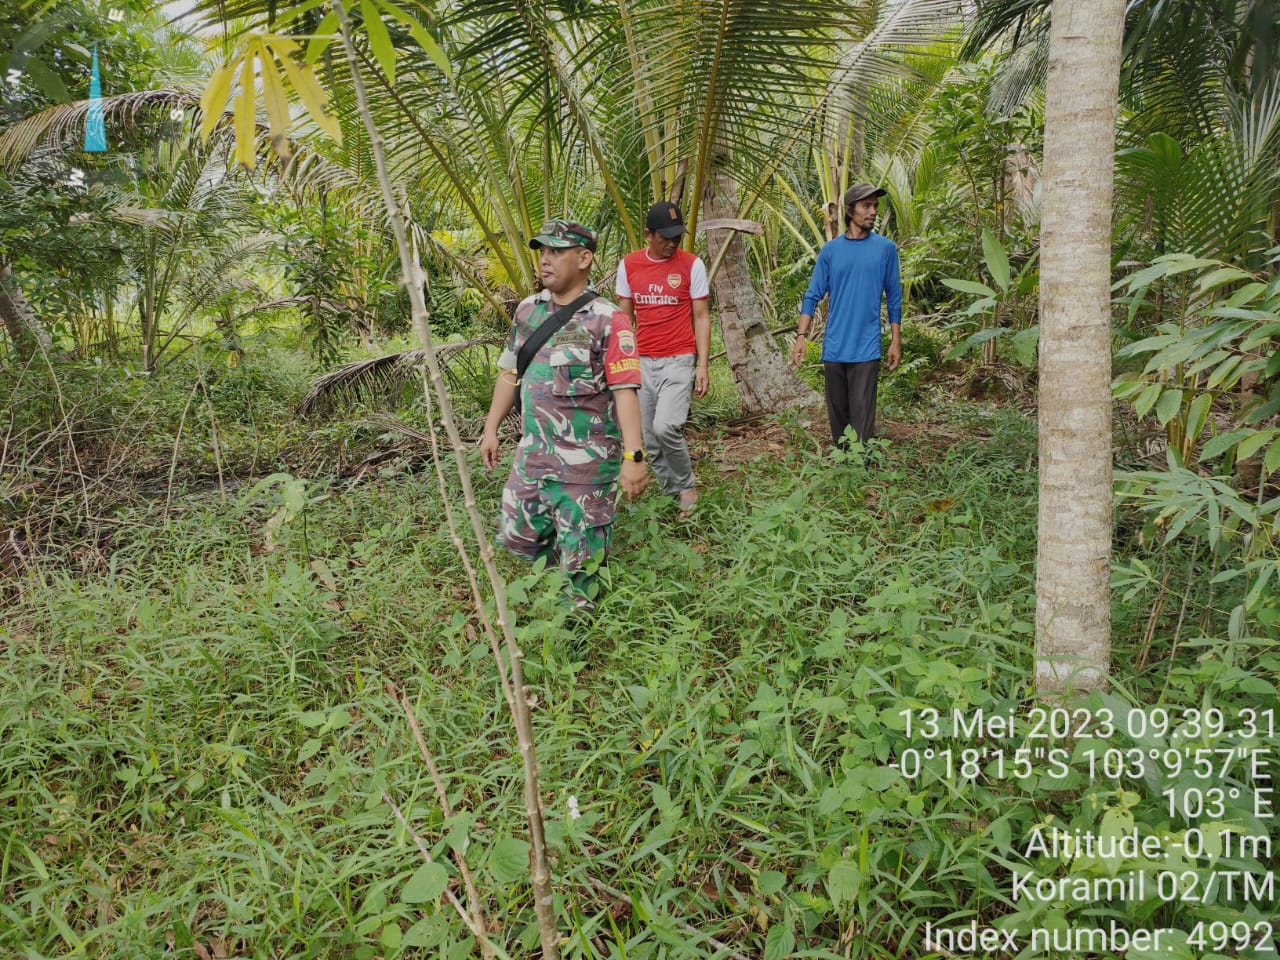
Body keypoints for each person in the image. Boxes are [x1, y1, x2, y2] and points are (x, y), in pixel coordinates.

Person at [480, 219, 649, 611]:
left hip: (584, 466)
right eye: (543, 251)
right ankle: (564, 570)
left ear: (584, 258)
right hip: (533, 456)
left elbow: (625, 390)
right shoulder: (528, 310)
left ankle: (577, 635)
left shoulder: (607, 319)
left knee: (582, 569)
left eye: (557, 252)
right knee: (517, 533)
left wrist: (634, 457)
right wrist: (491, 429)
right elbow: (510, 372)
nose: (546, 260)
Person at [615, 201, 711, 515]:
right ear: (648, 234)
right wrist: (623, 367)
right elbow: (624, 321)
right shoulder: (628, 266)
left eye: (677, 237)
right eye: (664, 237)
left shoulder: (692, 265)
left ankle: (687, 488)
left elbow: (701, 316)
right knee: (647, 441)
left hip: (679, 359)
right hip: (642, 362)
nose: (671, 243)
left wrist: (703, 365)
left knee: (666, 426)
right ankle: (674, 493)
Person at [792, 182, 902, 446]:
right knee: (838, 416)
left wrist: (896, 341)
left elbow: (894, 297)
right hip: (834, 347)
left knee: (862, 417)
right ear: (850, 210)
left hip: (867, 347)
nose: (873, 212)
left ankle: (860, 468)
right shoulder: (831, 251)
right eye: (866, 206)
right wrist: (801, 336)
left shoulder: (885, 249)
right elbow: (812, 295)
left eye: (875, 206)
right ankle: (843, 469)